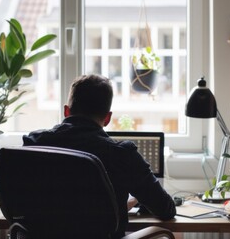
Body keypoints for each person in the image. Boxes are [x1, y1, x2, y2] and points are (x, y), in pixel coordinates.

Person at [22, 74, 176, 238]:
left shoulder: (34, 143)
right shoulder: (121, 154)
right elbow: (166, 210)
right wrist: (133, 199)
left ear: (66, 111)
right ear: (108, 118)